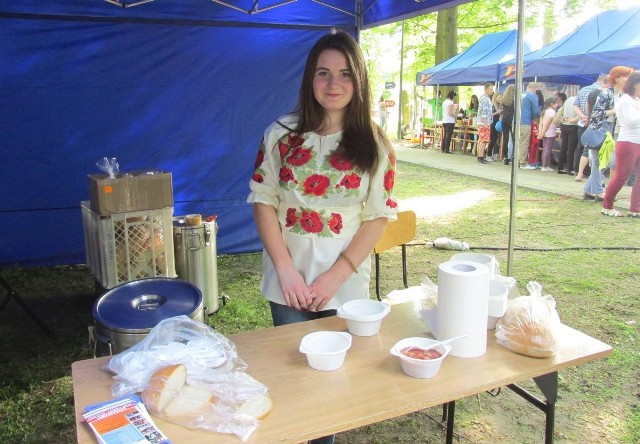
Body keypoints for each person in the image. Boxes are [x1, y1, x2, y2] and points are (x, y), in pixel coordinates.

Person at [247, 31, 398, 443]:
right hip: (288, 283)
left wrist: (334, 277)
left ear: (359, 81)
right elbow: (263, 202)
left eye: (345, 74)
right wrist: (285, 271)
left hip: (343, 283)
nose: (334, 84)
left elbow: (377, 217)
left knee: (331, 382)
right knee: (294, 376)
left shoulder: (375, 142)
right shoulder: (280, 133)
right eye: (323, 73)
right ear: (309, 80)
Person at [583, 66, 633, 201]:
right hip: (600, 131)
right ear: (616, 78)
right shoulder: (606, 94)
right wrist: (614, 111)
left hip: (612, 133)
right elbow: (595, 114)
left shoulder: (623, 95)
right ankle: (598, 191)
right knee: (599, 162)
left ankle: (589, 190)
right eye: (625, 76)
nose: (628, 79)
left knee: (604, 162)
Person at [601, 70, 640, 217]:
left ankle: (635, 208)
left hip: (638, 141)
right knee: (622, 176)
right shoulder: (625, 100)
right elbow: (629, 121)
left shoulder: (636, 100)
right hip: (628, 141)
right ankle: (607, 205)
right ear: (636, 84)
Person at [573, 74, 608, 181]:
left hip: (584, 122)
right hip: (598, 124)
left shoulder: (584, 90)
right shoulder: (604, 93)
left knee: (581, 147)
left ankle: (578, 172)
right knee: (596, 150)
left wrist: (583, 116)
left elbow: (575, 105)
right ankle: (592, 173)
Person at [519, 82, 541, 169]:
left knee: (518, 142)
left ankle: (518, 160)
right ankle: (523, 163)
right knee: (524, 142)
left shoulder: (520, 95)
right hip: (525, 121)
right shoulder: (532, 96)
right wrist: (539, 117)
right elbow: (536, 111)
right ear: (535, 89)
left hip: (516, 121)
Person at [558, 95, 580, 174]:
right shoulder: (578, 101)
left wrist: (566, 119)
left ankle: (560, 168)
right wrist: (569, 120)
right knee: (571, 149)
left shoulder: (568, 100)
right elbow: (577, 118)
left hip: (564, 125)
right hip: (573, 127)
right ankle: (570, 169)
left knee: (563, 147)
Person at [537, 97, 558, 172]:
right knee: (547, 149)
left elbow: (541, 123)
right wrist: (542, 133)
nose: (557, 105)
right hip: (550, 132)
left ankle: (544, 165)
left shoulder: (544, 111)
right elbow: (547, 124)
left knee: (545, 149)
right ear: (552, 104)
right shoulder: (552, 112)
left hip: (544, 132)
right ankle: (545, 166)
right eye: (556, 103)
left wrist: (541, 132)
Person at [475, 83, 494, 164]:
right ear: (486, 89)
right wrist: (485, 123)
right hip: (483, 122)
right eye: (491, 89)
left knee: (481, 140)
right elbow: (484, 112)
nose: (492, 91)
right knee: (483, 140)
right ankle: (481, 156)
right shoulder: (485, 99)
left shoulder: (485, 98)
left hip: (483, 122)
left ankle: (480, 156)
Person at [501, 84, 516, 165]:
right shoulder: (514, 100)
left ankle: (505, 157)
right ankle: (513, 156)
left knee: (505, 139)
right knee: (514, 139)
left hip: (504, 119)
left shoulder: (504, 99)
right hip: (511, 119)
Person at [487, 91, 503, 160]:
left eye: (502, 97)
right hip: (492, 123)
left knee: (495, 139)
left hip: (497, 123)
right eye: (499, 97)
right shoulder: (492, 105)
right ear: (495, 98)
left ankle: (492, 154)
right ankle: (488, 154)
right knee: (492, 139)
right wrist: (497, 112)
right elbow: (489, 114)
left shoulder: (500, 105)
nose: (501, 98)